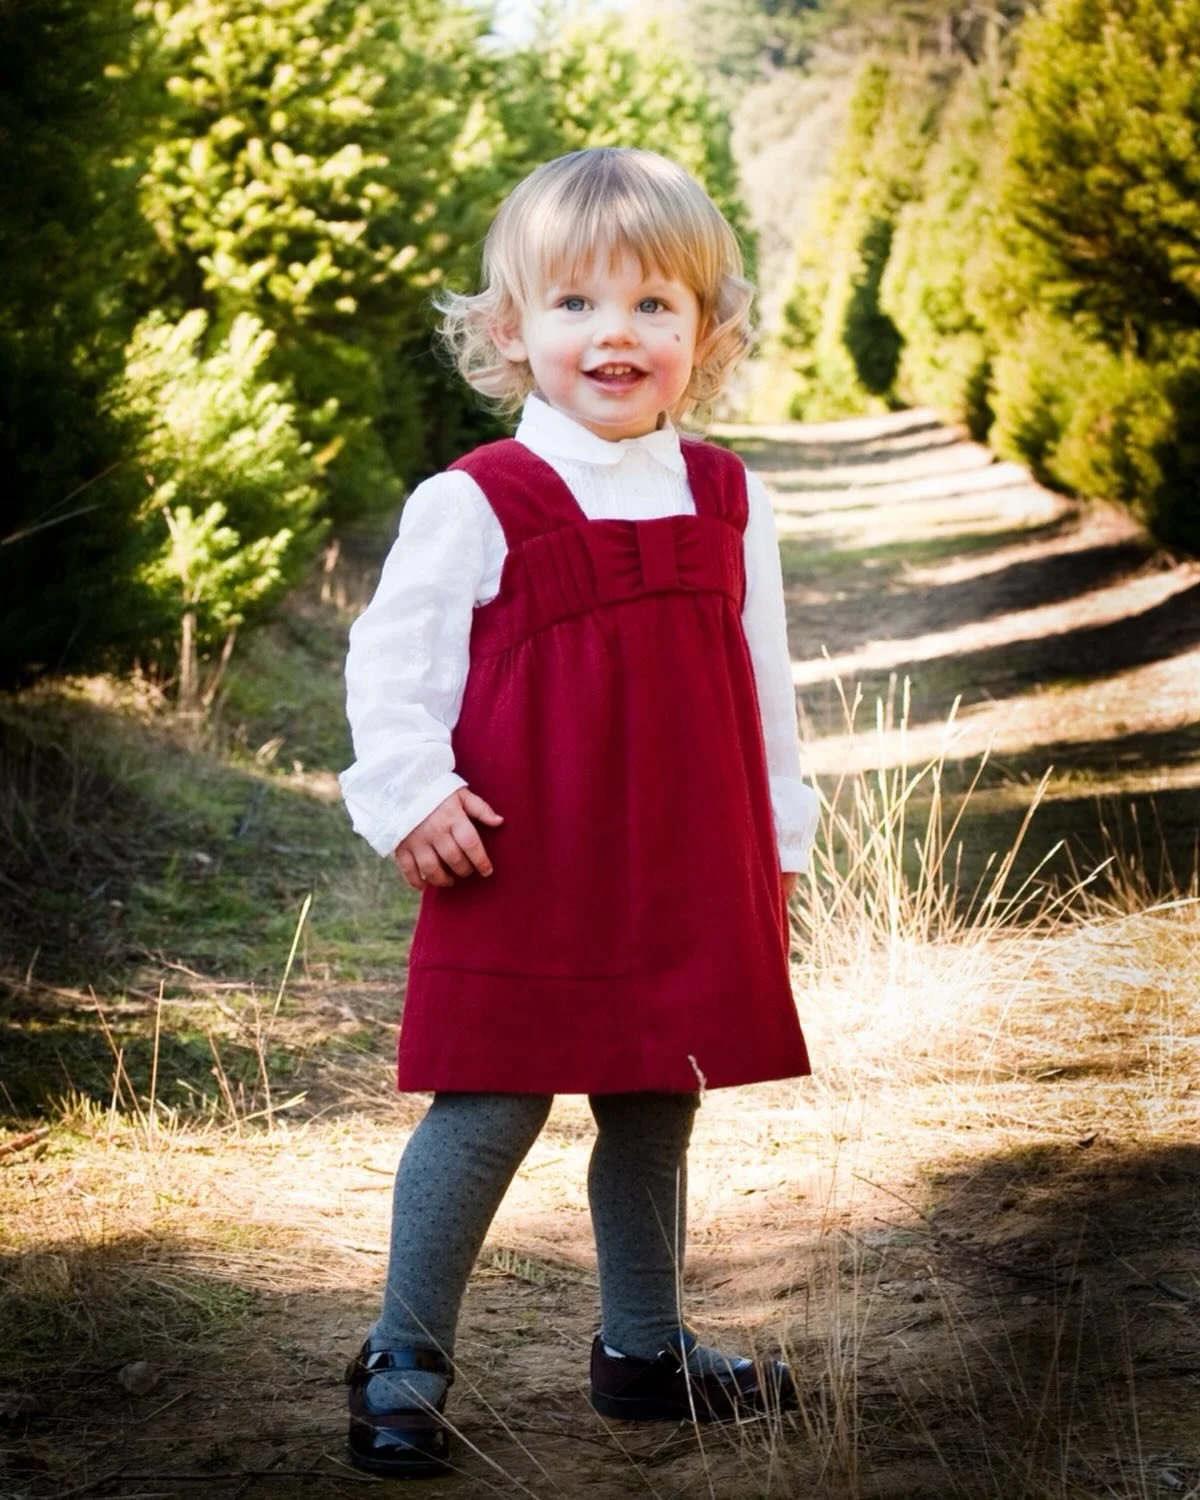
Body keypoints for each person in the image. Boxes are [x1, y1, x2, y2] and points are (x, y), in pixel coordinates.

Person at [337, 145, 819, 1479]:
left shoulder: (730, 497)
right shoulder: (477, 501)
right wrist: (413, 793)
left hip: (686, 856)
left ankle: (644, 1351)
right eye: (576, 306)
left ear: (706, 334)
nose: (617, 333)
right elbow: (393, 664)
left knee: (661, 1095)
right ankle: (405, 1354)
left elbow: (764, 682)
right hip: (525, 856)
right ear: (511, 331)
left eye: (654, 306)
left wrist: (779, 845)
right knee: (487, 1101)